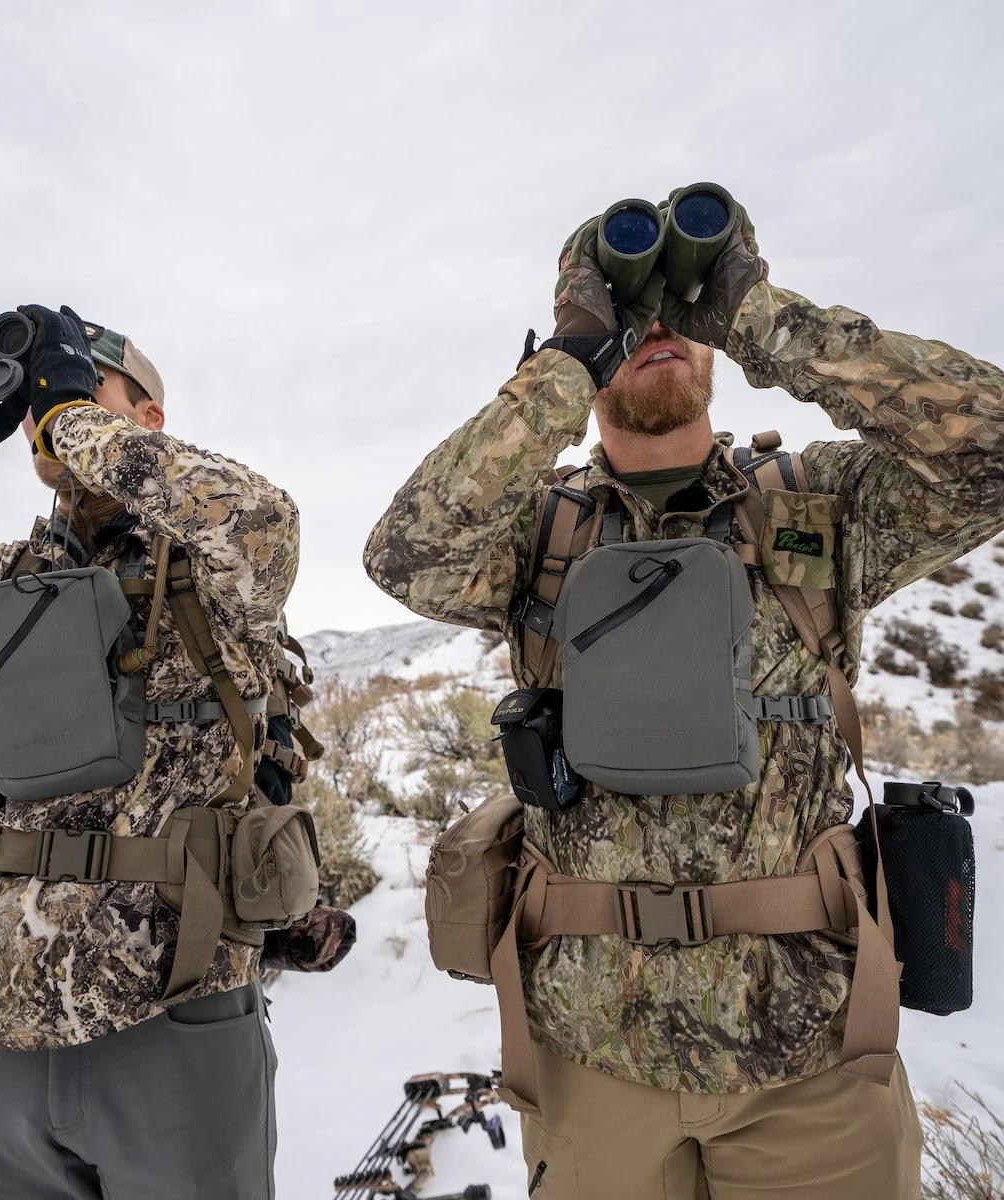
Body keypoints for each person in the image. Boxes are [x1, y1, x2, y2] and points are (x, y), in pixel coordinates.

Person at [363, 194, 1004, 1198]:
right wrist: (566, 368)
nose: (656, 324)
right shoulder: (535, 533)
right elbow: (404, 553)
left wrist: (762, 318)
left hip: (814, 1055)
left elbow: (991, 450)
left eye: (682, 305)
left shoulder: (818, 505)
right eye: (628, 307)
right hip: (589, 1054)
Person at [0, 304, 338, 1199]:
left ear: (148, 417)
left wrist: (70, 419)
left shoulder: (219, 571)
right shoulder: (5, 581)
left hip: (174, 1011)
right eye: (39, 390)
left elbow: (258, 517)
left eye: (85, 380)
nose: (49, 402)